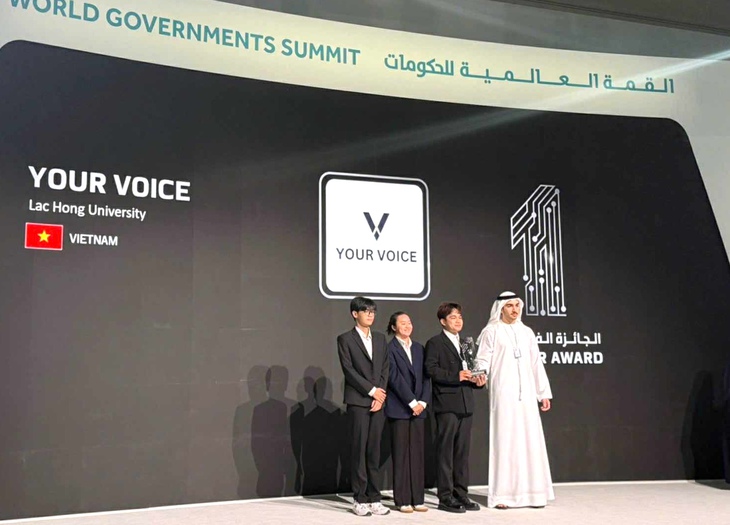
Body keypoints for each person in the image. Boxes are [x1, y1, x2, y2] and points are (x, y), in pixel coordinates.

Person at [475, 291, 554, 509]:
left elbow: (536, 363)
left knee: (530, 440)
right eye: (509, 306)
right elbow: (482, 359)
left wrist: (543, 393)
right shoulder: (491, 331)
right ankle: (503, 496)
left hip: (527, 395)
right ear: (501, 308)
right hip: (503, 394)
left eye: (517, 305)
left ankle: (534, 495)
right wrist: (480, 374)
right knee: (506, 440)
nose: (514, 310)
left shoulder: (527, 332)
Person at [424, 302, 486, 513]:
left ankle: (461, 494)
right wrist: (455, 376)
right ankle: (445, 497)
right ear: (443, 321)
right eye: (453, 317)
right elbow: (430, 369)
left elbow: (472, 370)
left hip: (466, 403)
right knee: (446, 452)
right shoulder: (435, 343)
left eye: (459, 316)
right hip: (447, 403)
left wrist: (478, 380)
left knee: (462, 454)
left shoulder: (467, 343)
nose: (458, 320)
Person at [337, 296, 391, 517]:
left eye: (373, 311)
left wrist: (380, 395)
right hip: (358, 401)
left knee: (374, 451)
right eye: (366, 311)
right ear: (355, 314)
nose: (370, 315)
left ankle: (375, 498)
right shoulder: (345, 339)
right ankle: (359, 499)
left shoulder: (380, 338)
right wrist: (371, 391)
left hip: (378, 402)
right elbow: (349, 370)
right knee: (359, 450)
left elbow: (385, 367)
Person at [384, 311, 432, 513]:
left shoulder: (419, 348)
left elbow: (427, 377)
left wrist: (422, 401)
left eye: (409, 322)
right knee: (401, 455)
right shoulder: (389, 349)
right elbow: (394, 378)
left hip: (420, 409)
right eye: (402, 323)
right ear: (394, 327)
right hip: (400, 408)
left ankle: (418, 499)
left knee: (417, 455)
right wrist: (412, 402)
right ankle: (403, 499)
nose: (407, 326)